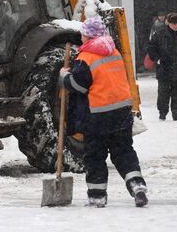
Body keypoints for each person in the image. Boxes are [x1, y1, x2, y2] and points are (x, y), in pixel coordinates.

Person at [59, 17, 148, 208]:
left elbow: (78, 86)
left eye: (83, 34)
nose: (81, 37)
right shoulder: (114, 51)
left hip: (97, 115)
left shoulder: (86, 57)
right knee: (123, 151)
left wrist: (65, 76)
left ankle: (97, 196)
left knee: (95, 155)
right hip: (121, 111)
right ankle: (137, 185)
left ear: (88, 35)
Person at [147, 12, 177, 121]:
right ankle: (162, 112)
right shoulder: (160, 33)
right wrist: (157, 59)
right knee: (163, 92)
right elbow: (151, 47)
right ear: (169, 23)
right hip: (164, 67)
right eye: (173, 23)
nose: (175, 26)